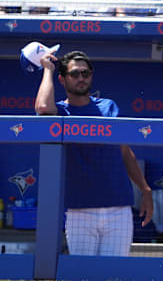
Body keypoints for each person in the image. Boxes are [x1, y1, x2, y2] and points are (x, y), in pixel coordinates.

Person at [34, 50, 153, 256]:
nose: (81, 78)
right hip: (80, 210)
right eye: (74, 74)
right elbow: (43, 107)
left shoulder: (109, 107)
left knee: (114, 275)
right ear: (62, 80)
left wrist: (145, 189)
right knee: (82, 275)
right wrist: (47, 70)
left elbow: (124, 151)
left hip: (119, 208)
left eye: (86, 73)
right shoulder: (60, 112)